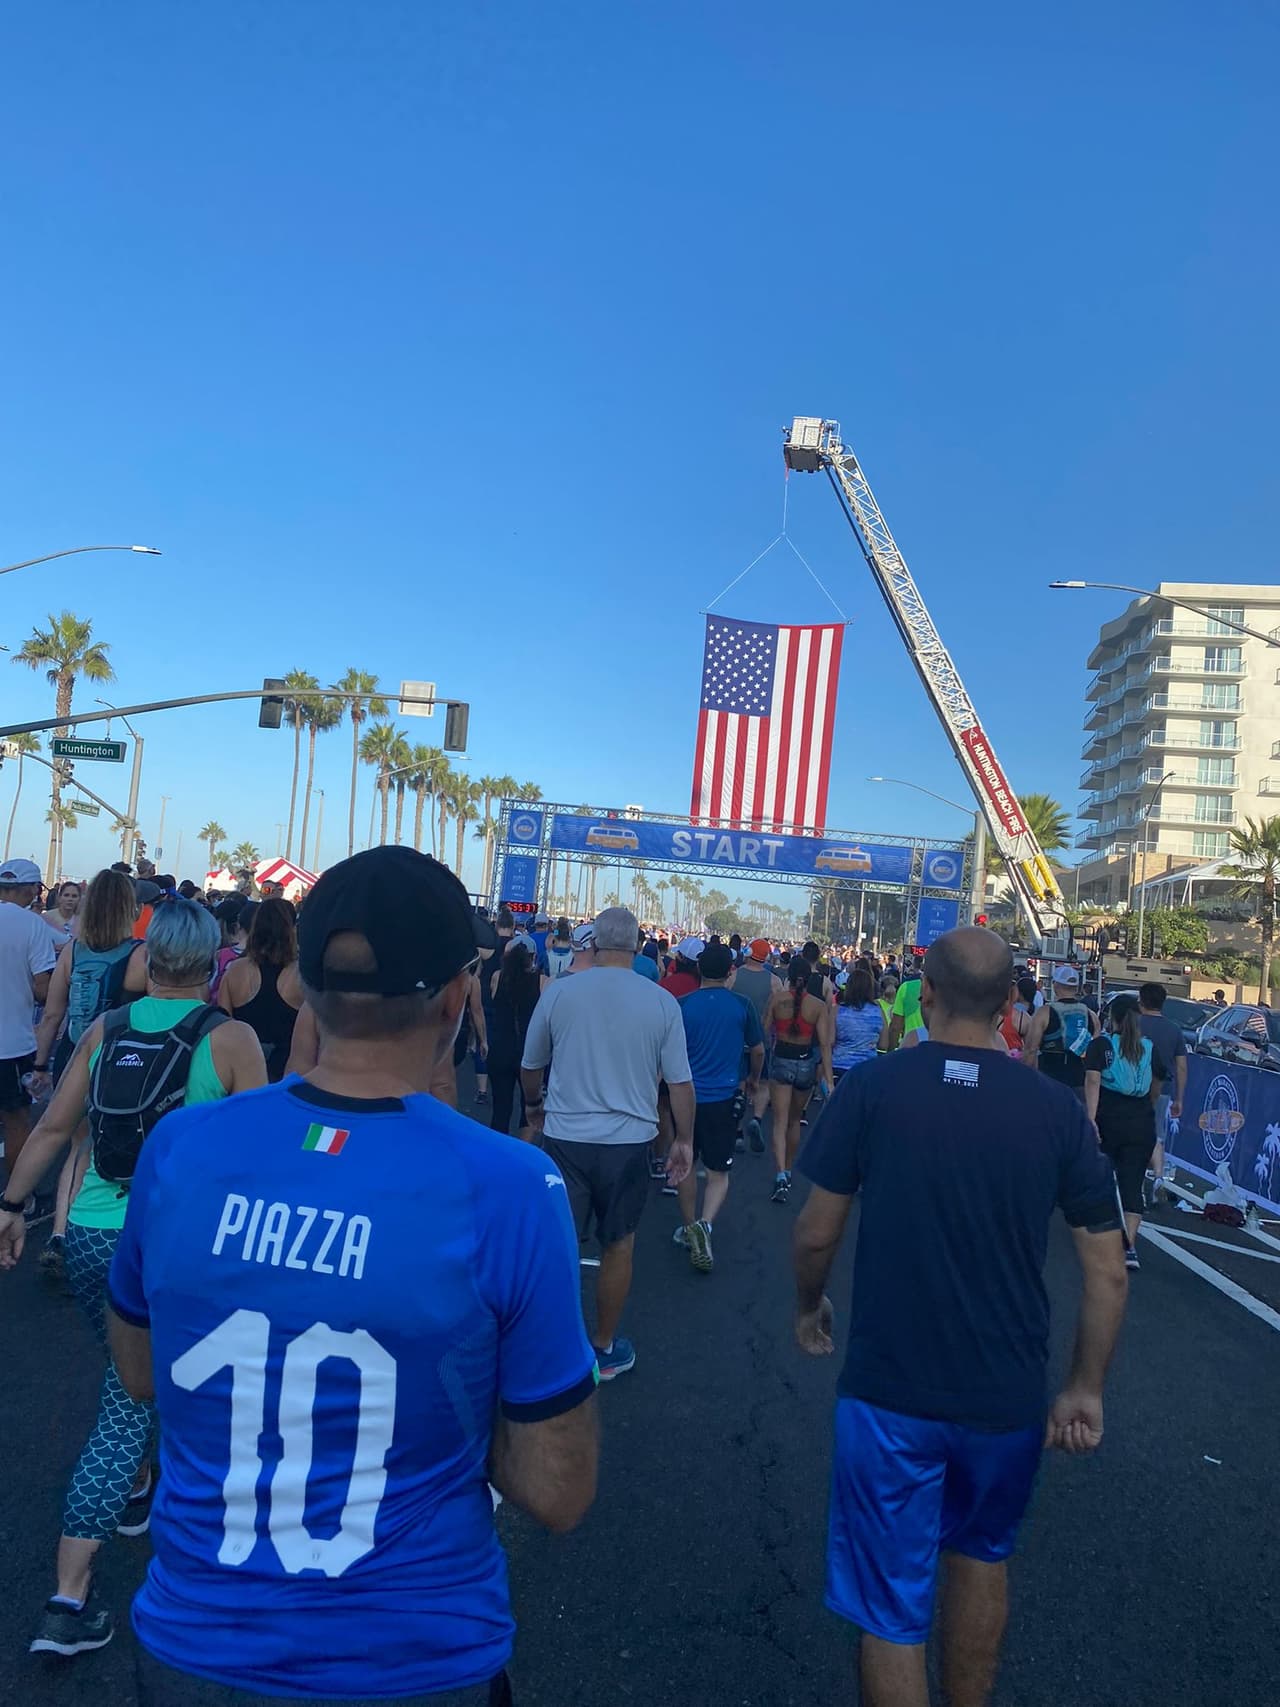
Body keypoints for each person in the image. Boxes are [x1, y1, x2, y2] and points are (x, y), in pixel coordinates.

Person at [93, 845, 597, 1703]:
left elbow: (142, 1373)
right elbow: (558, 1489)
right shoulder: (511, 1185)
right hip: (414, 1656)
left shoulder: (181, 1148)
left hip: (192, 1642)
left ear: (310, 992)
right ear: (452, 997)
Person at [792, 927, 1129, 1707]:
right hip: (1005, 1394)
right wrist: (1084, 1385)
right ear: (1013, 1003)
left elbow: (815, 1229)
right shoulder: (1053, 1112)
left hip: (890, 1390)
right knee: (981, 1556)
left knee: (890, 1602)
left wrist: (809, 1307)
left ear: (927, 993)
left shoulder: (873, 1088)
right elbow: (1108, 1269)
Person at [0, 899, 268, 1660]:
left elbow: (54, 1126)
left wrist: (12, 1204)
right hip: (180, 1244)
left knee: (133, 1374)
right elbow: (260, 1153)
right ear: (213, 961)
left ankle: (140, 1486)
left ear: (150, 959)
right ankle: (66, 1600)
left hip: (88, 1232)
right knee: (128, 1404)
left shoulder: (106, 1028)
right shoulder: (232, 1040)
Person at [521, 906, 694, 1380]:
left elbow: (531, 1065)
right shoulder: (660, 1001)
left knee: (559, 1244)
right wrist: (684, 1140)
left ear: (593, 944)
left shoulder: (561, 992)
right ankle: (603, 1346)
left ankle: (551, 1345)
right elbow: (679, 1083)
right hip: (630, 1141)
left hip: (565, 1136)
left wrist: (533, 1105)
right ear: (638, 947)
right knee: (618, 1245)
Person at [672, 942, 764, 1273]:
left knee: (683, 1162)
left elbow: (670, 1052)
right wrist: (753, 1079)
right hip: (724, 1099)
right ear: (730, 972)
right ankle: (705, 1225)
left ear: (698, 969)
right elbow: (757, 1049)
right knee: (719, 1173)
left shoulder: (682, 1005)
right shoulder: (742, 1005)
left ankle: (688, 1226)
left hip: (685, 1097)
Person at [1085, 993, 1167, 1271]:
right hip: (1140, 1120)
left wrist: (1091, 1118)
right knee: (1132, 1183)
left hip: (1110, 1119)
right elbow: (1158, 1083)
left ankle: (1104, 1238)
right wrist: (1149, 1107)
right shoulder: (1149, 1048)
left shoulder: (1101, 1046)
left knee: (1103, 1179)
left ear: (1113, 1019)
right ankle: (1128, 1245)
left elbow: (1093, 1082)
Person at [0, 858, 59, 1208]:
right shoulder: (31, 925)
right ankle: (17, 1199)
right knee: (17, 1120)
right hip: (10, 1044)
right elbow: (41, 988)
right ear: (30, 889)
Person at [764, 957, 833, 1204]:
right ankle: (790, 1169)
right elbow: (825, 1045)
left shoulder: (777, 999)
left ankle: (780, 1173)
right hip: (805, 1064)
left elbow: (764, 1031)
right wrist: (828, 1079)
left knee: (779, 1122)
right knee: (795, 1120)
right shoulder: (817, 1006)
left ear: (789, 976)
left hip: (781, 1059)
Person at [217, 897, 304, 1081]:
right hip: (286, 1073)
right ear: (291, 929)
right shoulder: (302, 975)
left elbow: (222, 1024)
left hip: (242, 1068)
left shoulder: (235, 970)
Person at [487, 940, 544, 1136]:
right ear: (533, 957)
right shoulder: (541, 981)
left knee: (501, 1109)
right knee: (529, 1107)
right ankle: (523, 1152)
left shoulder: (497, 977)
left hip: (500, 1048)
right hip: (528, 1051)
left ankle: (499, 1155)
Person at [1137, 981, 1187, 1190]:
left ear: (1141, 1001)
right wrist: (1179, 1098)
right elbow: (1182, 1067)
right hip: (1163, 1089)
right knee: (1157, 1133)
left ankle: (1135, 1182)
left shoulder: (1133, 1024)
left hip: (1133, 1087)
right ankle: (1158, 1176)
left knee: (1132, 1133)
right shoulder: (1174, 1030)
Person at [734, 938, 782, 1151]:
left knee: (740, 1083)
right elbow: (780, 1010)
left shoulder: (734, 975)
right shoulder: (774, 981)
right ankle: (757, 1118)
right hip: (762, 1038)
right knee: (763, 1083)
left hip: (736, 1038)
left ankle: (737, 1131)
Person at [1022, 964, 1099, 1097]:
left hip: (1048, 1080)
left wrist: (1024, 1080)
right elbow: (1094, 1054)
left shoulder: (1044, 1012)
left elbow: (1030, 1049)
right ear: (1077, 988)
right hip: (1079, 1082)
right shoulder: (1091, 1015)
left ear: (1055, 985)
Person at [832, 966, 887, 1079]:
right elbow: (884, 1044)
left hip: (839, 1068)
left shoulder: (837, 1011)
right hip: (868, 1069)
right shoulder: (878, 1011)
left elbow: (829, 1042)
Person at [887, 957, 924, 1050]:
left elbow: (896, 1027)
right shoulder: (956, 992)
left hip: (910, 1048)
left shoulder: (907, 987)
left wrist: (890, 1054)